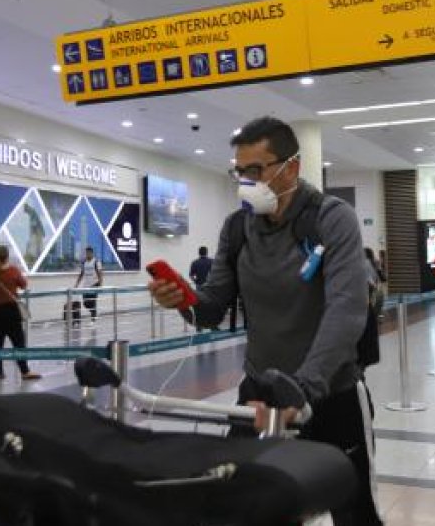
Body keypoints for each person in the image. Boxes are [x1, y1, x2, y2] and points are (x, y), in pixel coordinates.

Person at [149, 116, 382, 526]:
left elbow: (346, 310)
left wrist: (303, 389)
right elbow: (212, 307)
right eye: (239, 171)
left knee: (354, 513)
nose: (245, 181)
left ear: (291, 166)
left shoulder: (331, 218)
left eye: (255, 170)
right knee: (254, 510)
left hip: (331, 394)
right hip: (259, 396)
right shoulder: (238, 228)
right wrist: (181, 299)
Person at [0, 245, 40, 381]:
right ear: (7, 257)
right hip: (10, 310)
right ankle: (24, 371)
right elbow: (24, 285)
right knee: (18, 341)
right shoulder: (13, 270)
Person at [72, 246, 103, 325]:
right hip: (86, 285)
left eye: (89, 253)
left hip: (94, 284)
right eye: (86, 253)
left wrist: (100, 283)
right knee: (85, 303)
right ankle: (94, 314)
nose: (87, 254)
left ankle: (93, 319)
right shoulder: (84, 262)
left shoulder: (96, 261)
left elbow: (100, 273)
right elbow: (81, 274)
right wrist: (77, 283)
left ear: (92, 253)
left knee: (92, 302)